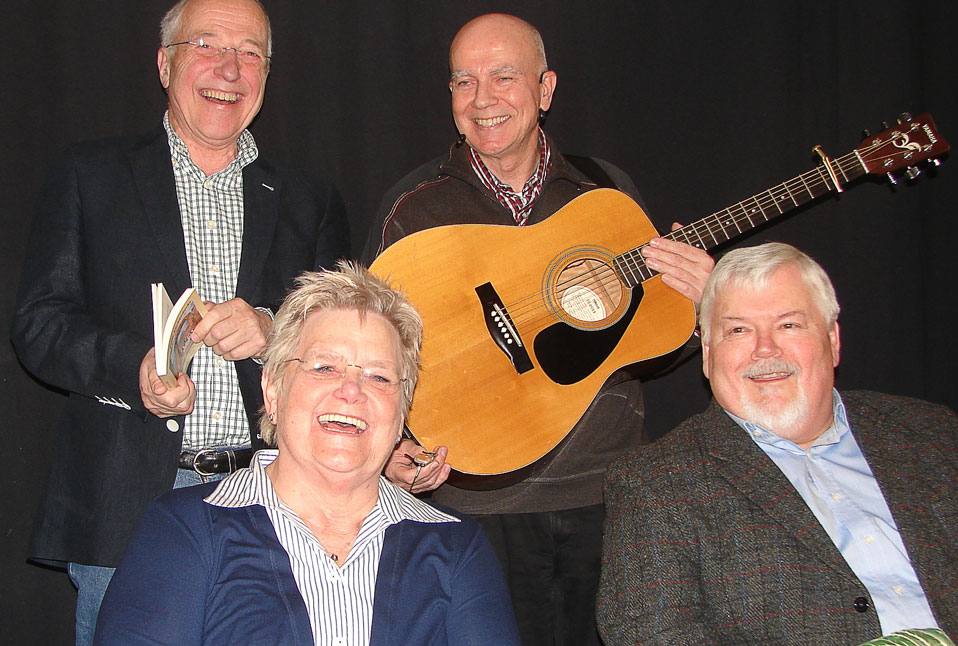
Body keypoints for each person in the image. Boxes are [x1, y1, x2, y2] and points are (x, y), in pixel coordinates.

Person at [362, 13, 714, 645]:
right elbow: (364, 350)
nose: (482, 99)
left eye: (504, 76)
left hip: (609, 496)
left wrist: (700, 305)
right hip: (473, 502)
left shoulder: (604, 189)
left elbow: (644, 343)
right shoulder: (413, 206)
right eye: (464, 81)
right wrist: (389, 448)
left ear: (545, 89)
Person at [10, 0, 348, 642]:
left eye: (249, 52)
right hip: (126, 504)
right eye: (207, 45)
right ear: (165, 64)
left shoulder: (311, 199)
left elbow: (345, 343)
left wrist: (275, 329)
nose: (229, 68)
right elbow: (39, 323)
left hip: (275, 499)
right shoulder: (89, 175)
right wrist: (133, 368)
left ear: (267, 74)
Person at [93, 262, 520, 645]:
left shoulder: (456, 546)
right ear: (273, 392)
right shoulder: (183, 529)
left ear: (401, 414)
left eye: (379, 376)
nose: (351, 390)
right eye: (324, 367)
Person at [597, 243, 957, 644]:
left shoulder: (931, 432)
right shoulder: (655, 483)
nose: (765, 349)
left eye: (789, 325)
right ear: (708, 355)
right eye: (738, 330)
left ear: (833, 340)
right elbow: (651, 634)